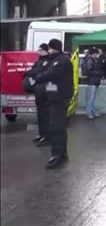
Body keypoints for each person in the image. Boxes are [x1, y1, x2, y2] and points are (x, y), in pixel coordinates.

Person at [34, 39, 73, 169]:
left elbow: (51, 74)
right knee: (58, 126)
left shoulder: (61, 60)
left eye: (49, 48)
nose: (48, 50)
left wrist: (37, 78)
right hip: (55, 97)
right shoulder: (56, 59)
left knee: (56, 127)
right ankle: (62, 154)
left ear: (53, 48)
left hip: (60, 98)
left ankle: (57, 155)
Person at [25, 43, 51, 147]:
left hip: (45, 91)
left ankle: (47, 136)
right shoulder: (39, 60)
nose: (39, 51)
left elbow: (38, 71)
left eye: (41, 50)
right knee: (40, 115)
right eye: (38, 49)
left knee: (46, 115)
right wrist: (29, 72)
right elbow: (33, 70)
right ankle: (42, 134)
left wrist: (29, 73)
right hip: (38, 90)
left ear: (46, 50)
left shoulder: (48, 61)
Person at [86, 47, 103, 120]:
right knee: (91, 98)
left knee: (92, 98)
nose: (97, 54)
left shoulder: (94, 60)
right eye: (96, 53)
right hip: (92, 81)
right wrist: (99, 73)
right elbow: (89, 71)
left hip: (94, 81)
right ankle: (89, 112)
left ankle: (92, 111)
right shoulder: (90, 60)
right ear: (93, 53)